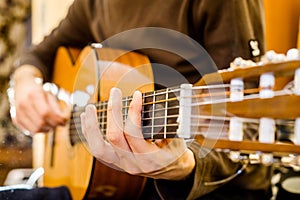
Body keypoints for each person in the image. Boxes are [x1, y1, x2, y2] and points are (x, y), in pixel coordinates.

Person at [9, 0, 272, 199]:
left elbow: (249, 123)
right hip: (103, 185)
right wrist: (23, 82)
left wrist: (184, 165)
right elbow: (40, 54)